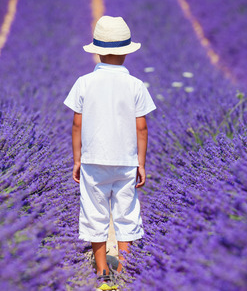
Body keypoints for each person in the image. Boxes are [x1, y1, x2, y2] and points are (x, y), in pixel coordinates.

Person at [63, 16, 156, 290]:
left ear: (98, 51)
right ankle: (126, 270)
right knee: (126, 213)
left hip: (92, 160)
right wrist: (141, 163)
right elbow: (142, 128)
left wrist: (77, 159)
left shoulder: (84, 82)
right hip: (126, 161)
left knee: (94, 212)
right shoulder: (136, 85)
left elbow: (77, 123)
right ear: (127, 51)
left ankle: (102, 271)